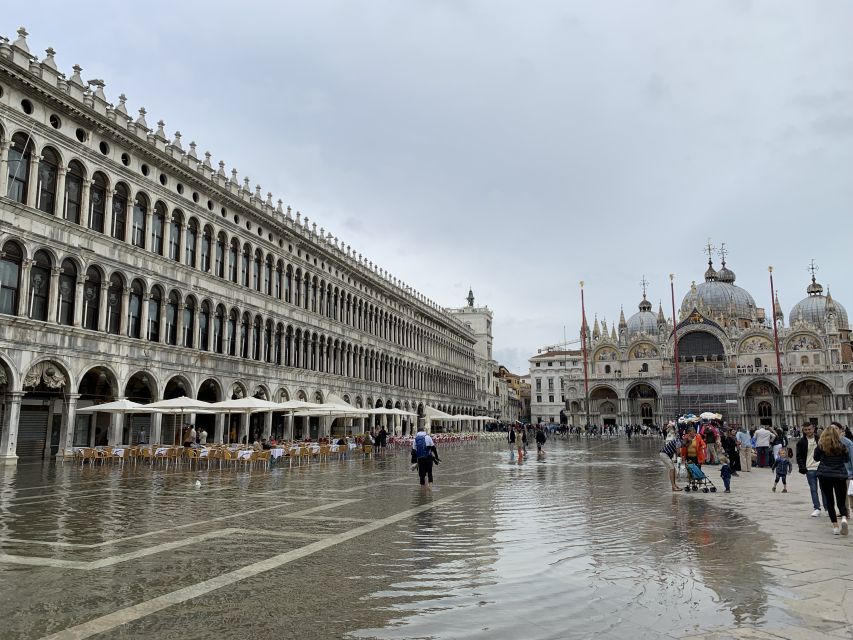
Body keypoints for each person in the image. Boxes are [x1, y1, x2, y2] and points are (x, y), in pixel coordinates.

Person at [814, 425, 850, 535]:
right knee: (841, 500)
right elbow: (846, 459)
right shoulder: (842, 446)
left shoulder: (821, 446)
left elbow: (816, 458)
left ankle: (835, 526)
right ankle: (844, 518)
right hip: (839, 475)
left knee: (830, 501)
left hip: (824, 475)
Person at [796, 423, 827, 517]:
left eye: (809, 429)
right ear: (803, 431)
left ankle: (827, 508)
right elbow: (799, 456)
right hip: (809, 468)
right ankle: (817, 508)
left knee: (824, 489)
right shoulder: (801, 442)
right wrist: (802, 467)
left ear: (813, 429)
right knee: (813, 489)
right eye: (805, 430)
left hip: (821, 467)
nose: (808, 431)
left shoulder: (820, 439)